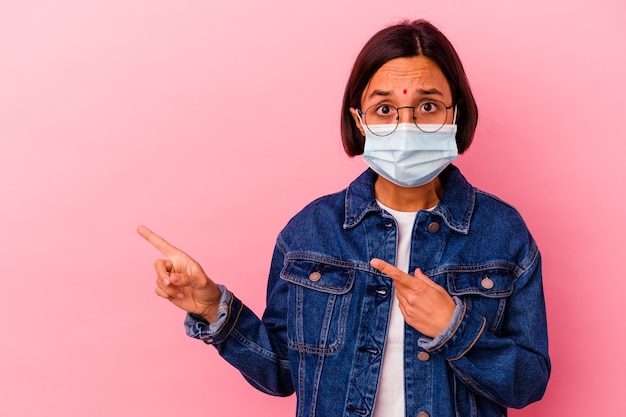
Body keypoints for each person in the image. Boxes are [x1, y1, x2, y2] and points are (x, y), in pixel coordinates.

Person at [138, 19, 550, 417]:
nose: (406, 126)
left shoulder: (502, 233)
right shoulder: (311, 232)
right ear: (359, 120)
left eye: (427, 106)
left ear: (454, 114)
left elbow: (529, 384)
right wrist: (214, 311)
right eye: (385, 108)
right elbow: (282, 372)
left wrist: (453, 328)